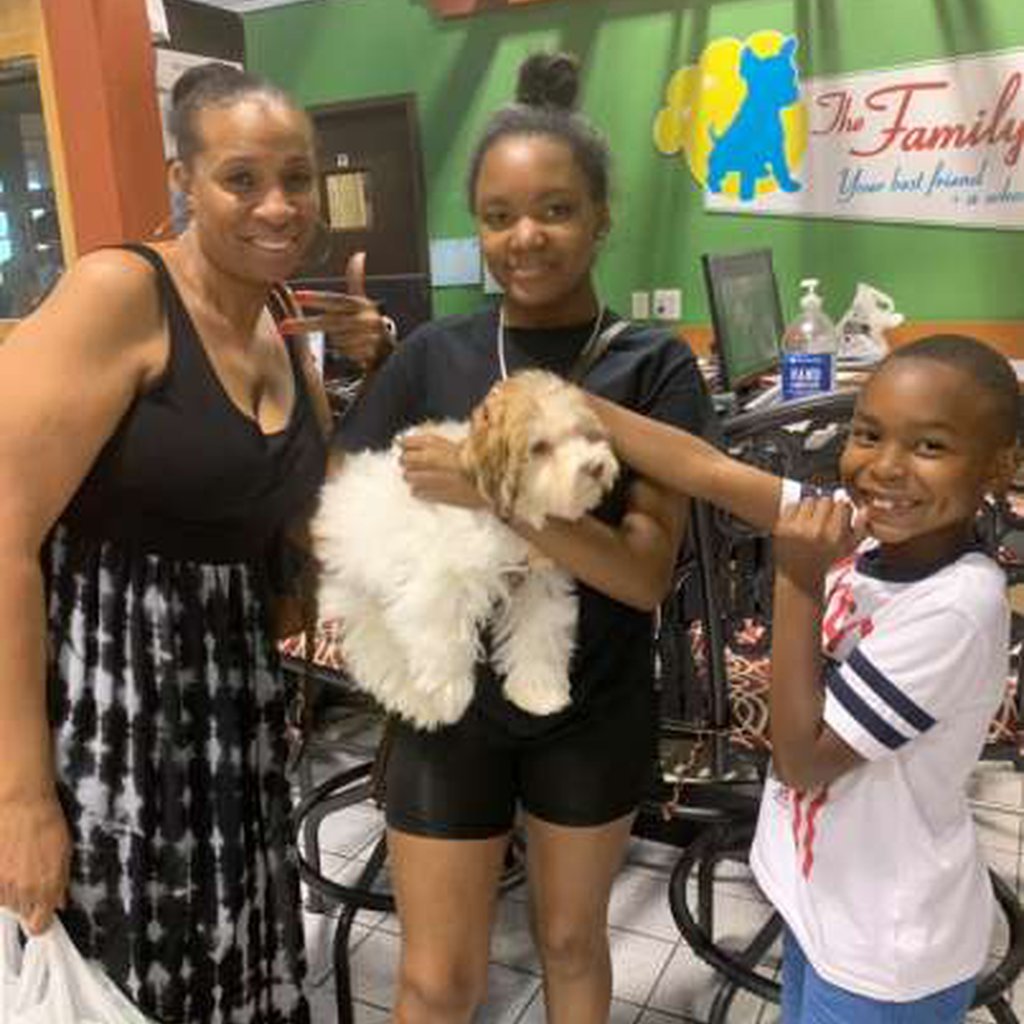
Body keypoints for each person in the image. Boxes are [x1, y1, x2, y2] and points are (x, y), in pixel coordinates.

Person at [0, 61, 391, 1023]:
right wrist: (22, 799)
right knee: (124, 988)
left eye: (297, 179)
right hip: (105, 729)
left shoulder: (280, 336)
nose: (278, 206)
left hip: (234, 731)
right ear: (185, 180)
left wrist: (376, 374)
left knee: (236, 974)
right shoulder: (119, 294)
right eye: (241, 179)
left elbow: (313, 531)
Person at [334, 52, 717, 1023]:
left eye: (555, 210)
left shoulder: (654, 367)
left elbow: (641, 576)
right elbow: (338, 494)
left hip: (591, 701)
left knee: (570, 943)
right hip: (445, 700)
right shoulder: (433, 353)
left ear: (601, 218)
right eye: (499, 216)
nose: (525, 237)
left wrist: (491, 491)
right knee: (433, 978)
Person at [591, 334, 1019, 1022]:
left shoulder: (955, 608)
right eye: (868, 434)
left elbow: (802, 762)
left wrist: (797, 579)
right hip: (828, 906)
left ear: (998, 467)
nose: (885, 469)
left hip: (884, 949)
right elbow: (708, 470)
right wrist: (577, 406)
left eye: (930, 447)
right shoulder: (877, 532)